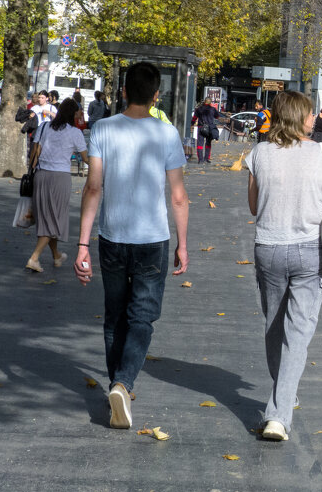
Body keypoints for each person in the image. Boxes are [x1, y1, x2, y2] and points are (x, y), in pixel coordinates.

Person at [73, 61, 189, 430]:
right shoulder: (166, 134)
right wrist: (183, 243)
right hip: (152, 238)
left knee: (114, 317)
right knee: (142, 318)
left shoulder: (103, 129)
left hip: (112, 236)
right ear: (157, 95)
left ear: (123, 91)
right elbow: (178, 196)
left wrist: (82, 244)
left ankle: (117, 386)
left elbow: (94, 187)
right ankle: (123, 383)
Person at [245, 90, 322, 441]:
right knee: (299, 332)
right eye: (309, 114)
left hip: (269, 249)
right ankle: (278, 415)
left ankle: (284, 395)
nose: (314, 119)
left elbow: (253, 205)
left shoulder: (259, 153)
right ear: (299, 117)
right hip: (309, 253)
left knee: (275, 326)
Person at [25, 98, 89, 271]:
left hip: (41, 175)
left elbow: (35, 151)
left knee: (45, 216)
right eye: (78, 112)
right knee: (55, 219)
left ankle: (56, 255)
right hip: (60, 177)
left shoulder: (45, 127)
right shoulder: (75, 133)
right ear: (73, 113)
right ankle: (34, 257)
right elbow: (85, 158)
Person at [192, 97, 220, 163]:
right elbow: (217, 116)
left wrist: (192, 123)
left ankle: (200, 159)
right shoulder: (213, 109)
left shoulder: (199, 109)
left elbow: (194, 118)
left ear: (204, 102)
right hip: (210, 128)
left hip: (201, 127)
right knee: (208, 143)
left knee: (200, 143)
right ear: (210, 102)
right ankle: (206, 158)